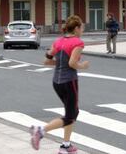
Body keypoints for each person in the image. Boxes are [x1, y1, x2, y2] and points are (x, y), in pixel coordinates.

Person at [30, 15, 89, 154]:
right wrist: (83, 66)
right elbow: (72, 63)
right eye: (81, 28)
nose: (82, 31)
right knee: (70, 116)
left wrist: (59, 62)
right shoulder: (77, 43)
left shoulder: (59, 41)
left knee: (72, 112)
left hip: (57, 82)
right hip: (69, 82)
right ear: (76, 28)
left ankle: (66, 145)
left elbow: (46, 61)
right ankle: (41, 131)